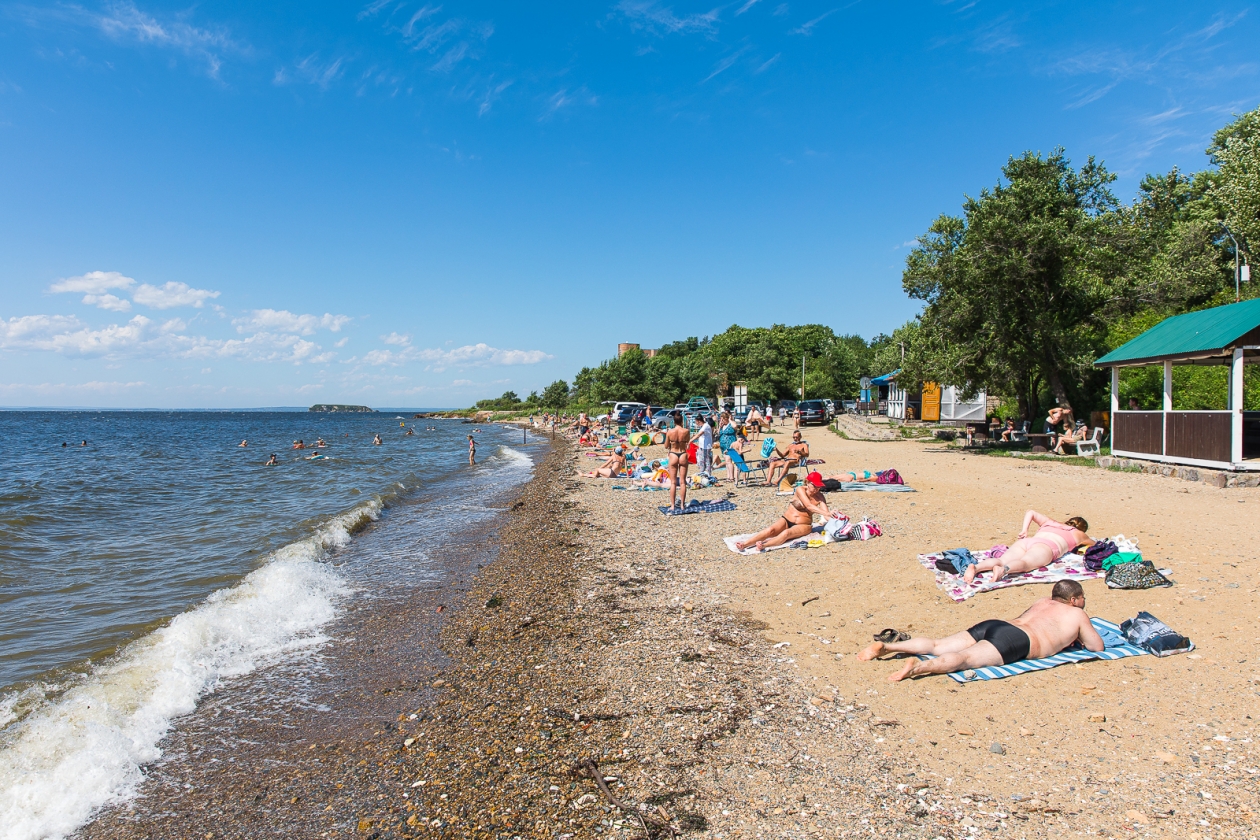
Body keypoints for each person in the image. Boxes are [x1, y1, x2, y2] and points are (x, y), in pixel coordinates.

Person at [857, 580, 1102, 681]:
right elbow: (1096, 646)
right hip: (1018, 640)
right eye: (1082, 599)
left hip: (998, 625)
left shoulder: (1041, 602)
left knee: (937, 645)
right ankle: (918, 668)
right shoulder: (1077, 613)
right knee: (965, 660)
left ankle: (888, 647)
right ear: (1073, 600)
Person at [964, 510, 1094, 583]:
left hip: (1028, 541)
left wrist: (1024, 530)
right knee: (1025, 564)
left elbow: (1031, 512)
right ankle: (1003, 570)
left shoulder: (1051, 522)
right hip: (1046, 547)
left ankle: (975, 567)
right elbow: (1095, 544)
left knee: (1001, 560)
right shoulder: (1079, 534)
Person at [734, 472, 831, 552]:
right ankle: (744, 544)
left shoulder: (820, 497)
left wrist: (836, 518)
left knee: (786, 533)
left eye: (819, 487)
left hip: (804, 524)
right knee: (770, 530)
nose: (817, 489)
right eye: (815, 486)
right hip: (787, 519)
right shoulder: (800, 490)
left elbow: (826, 514)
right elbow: (809, 506)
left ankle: (764, 545)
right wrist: (826, 513)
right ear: (808, 482)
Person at [665, 410, 691, 510]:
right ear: (682, 421)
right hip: (683, 453)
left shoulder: (670, 432)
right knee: (683, 482)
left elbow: (666, 445)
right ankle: (682, 505)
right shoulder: (686, 431)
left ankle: (672, 505)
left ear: (674, 421)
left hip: (673, 454)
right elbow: (687, 442)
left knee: (673, 482)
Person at [717, 412, 739, 482]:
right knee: (727, 461)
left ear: (726, 419)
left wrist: (730, 420)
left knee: (729, 461)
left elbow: (735, 426)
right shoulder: (722, 426)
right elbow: (718, 433)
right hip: (723, 446)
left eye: (722, 419)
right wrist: (720, 426)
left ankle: (731, 477)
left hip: (730, 445)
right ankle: (728, 476)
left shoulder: (731, 424)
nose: (721, 421)